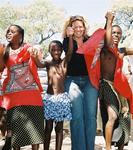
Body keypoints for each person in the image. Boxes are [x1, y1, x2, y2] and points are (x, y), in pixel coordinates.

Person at [0, 24, 44, 150]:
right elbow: (0, 68)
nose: (9, 33)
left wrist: (35, 53)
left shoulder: (28, 48)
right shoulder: (4, 50)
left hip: (32, 94)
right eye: (7, 31)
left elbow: (39, 63)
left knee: (35, 128)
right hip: (13, 96)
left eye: (12, 32)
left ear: (20, 36)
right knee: (15, 131)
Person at [62, 15, 98, 150]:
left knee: (91, 116)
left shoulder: (90, 40)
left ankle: (90, 147)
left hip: (90, 80)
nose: (78, 29)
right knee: (77, 116)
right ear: (70, 28)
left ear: (84, 28)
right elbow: (70, 54)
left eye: (80, 26)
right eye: (75, 26)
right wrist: (70, 37)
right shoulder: (66, 41)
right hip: (72, 80)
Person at [29, 40, 72, 150]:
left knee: (59, 128)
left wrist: (70, 37)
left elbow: (70, 51)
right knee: (48, 127)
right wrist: (34, 56)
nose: (56, 52)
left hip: (62, 98)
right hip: (49, 98)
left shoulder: (64, 62)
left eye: (58, 49)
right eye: (53, 50)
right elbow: (39, 64)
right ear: (49, 51)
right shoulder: (48, 63)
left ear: (62, 50)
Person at [99, 12, 133, 150]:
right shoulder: (105, 49)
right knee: (112, 116)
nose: (116, 35)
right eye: (113, 32)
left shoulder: (121, 50)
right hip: (106, 85)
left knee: (124, 116)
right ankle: (108, 148)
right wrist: (109, 21)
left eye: (119, 33)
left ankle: (121, 146)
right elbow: (106, 40)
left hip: (121, 87)